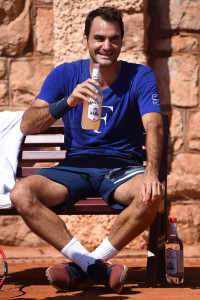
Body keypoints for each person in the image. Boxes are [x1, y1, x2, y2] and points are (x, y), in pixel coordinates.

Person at [10, 6, 164, 294]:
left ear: (122, 41)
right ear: (85, 39)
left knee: (150, 193)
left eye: (114, 39)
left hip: (122, 167)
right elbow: (28, 124)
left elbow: (154, 126)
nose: (107, 46)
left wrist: (152, 172)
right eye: (99, 38)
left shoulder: (140, 76)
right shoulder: (66, 74)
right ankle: (95, 267)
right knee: (21, 193)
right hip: (75, 167)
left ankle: (82, 266)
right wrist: (66, 102)